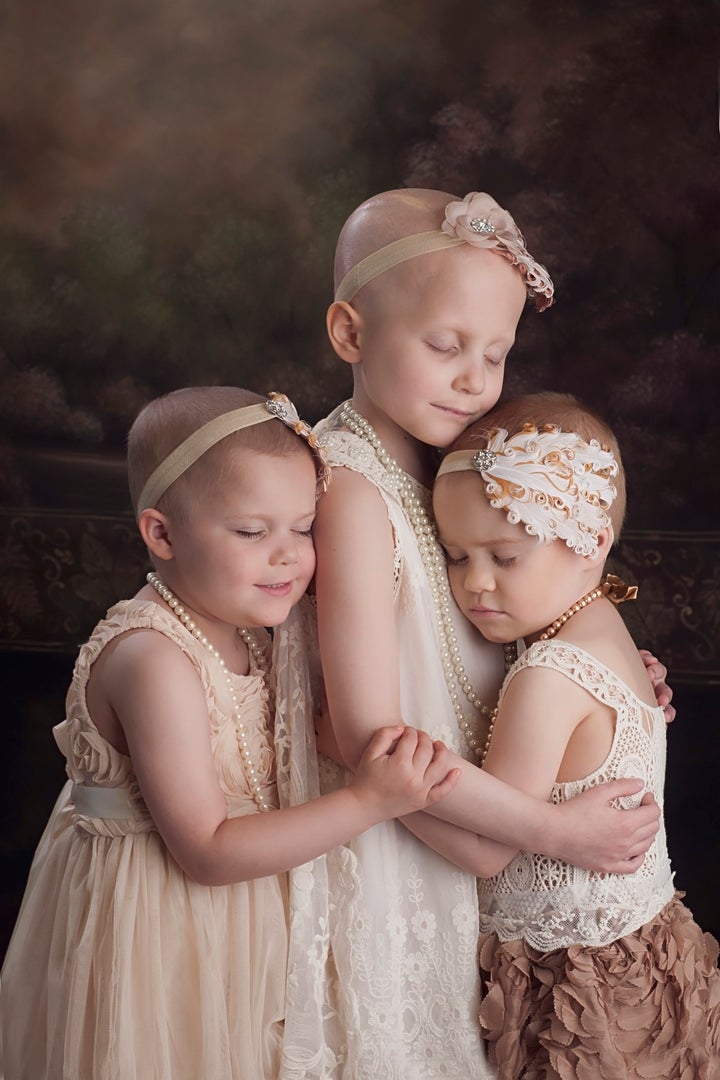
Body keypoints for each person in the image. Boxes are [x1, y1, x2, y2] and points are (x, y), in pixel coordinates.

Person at [273, 188, 672, 1079]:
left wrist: (591, 677)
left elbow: (471, 636)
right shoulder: (350, 487)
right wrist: (552, 830)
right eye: (446, 345)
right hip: (406, 837)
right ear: (350, 334)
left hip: (456, 819)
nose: (474, 380)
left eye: (495, 355)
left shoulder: (437, 463)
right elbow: (374, 742)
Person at [0, 386, 463, 1080]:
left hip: (241, 924)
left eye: (303, 528)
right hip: (160, 930)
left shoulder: (251, 621)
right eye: (252, 532)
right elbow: (208, 850)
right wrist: (370, 801)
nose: (288, 558)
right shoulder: (155, 660)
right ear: (162, 534)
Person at [409, 390, 720, 1078]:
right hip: (644, 948)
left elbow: (488, 853)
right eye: (456, 556)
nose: (474, 584)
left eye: (504, 556)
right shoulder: (603, 624)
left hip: (575, 983)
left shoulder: (546, 674)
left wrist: (380, 785)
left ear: (592, 544)